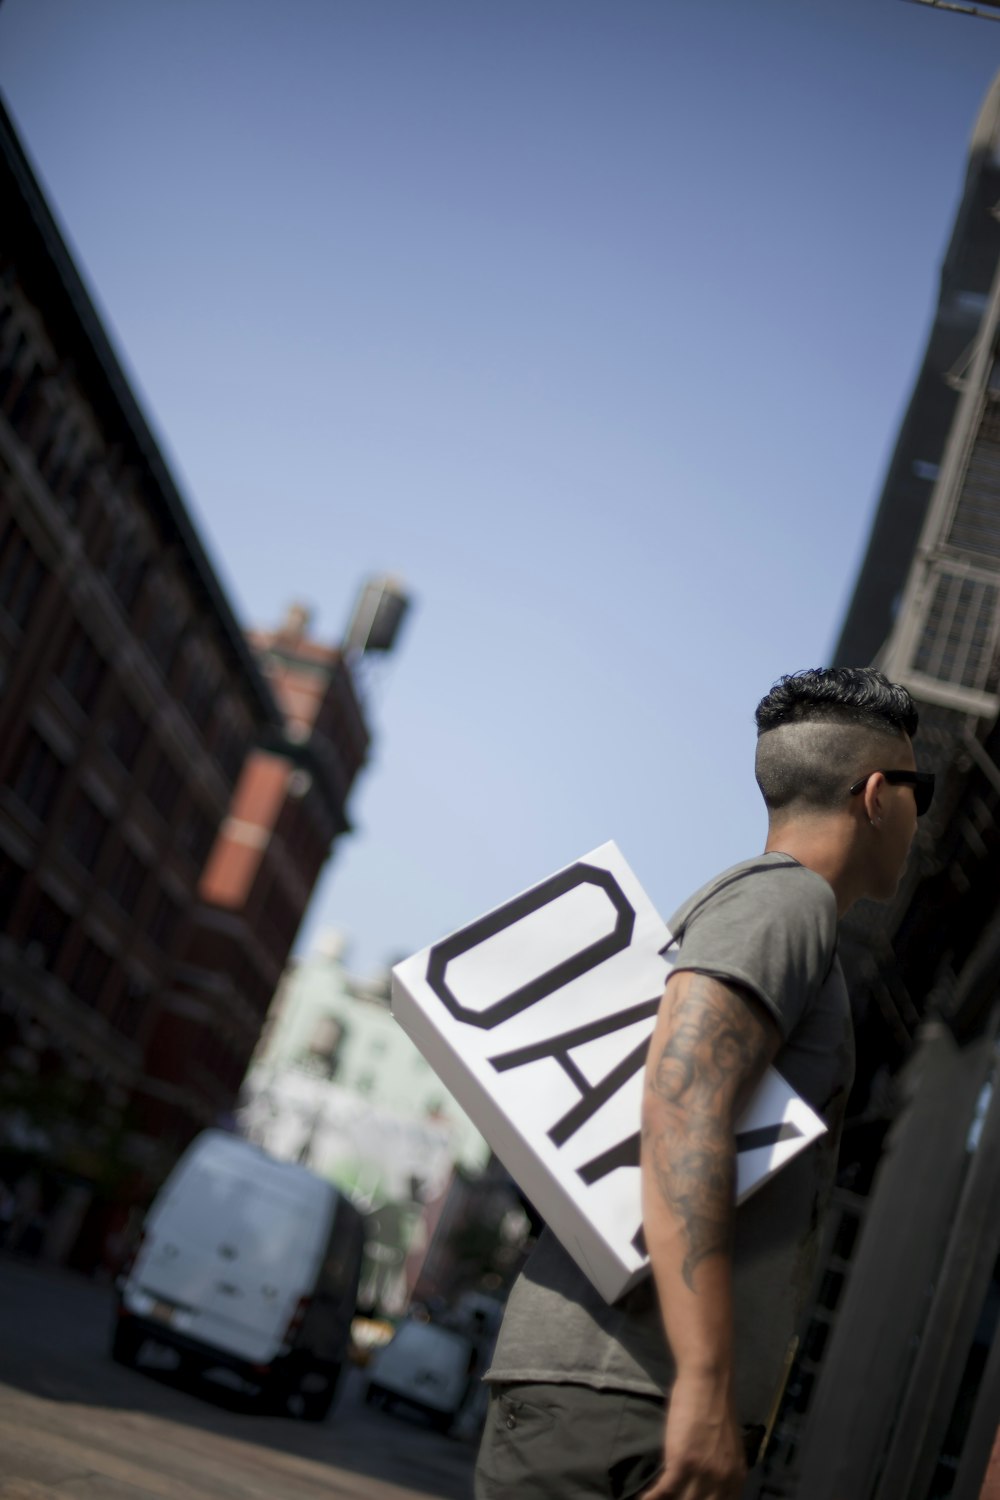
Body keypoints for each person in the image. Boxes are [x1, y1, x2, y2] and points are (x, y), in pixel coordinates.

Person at [475, 667, 931, 1500]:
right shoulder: (785, 905)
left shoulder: (775, 910)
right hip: (625, 1395)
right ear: (875, 794)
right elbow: (683, 1106)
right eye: (917, 788)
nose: (919, 812)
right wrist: (706, 1384)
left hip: (626, 1390)